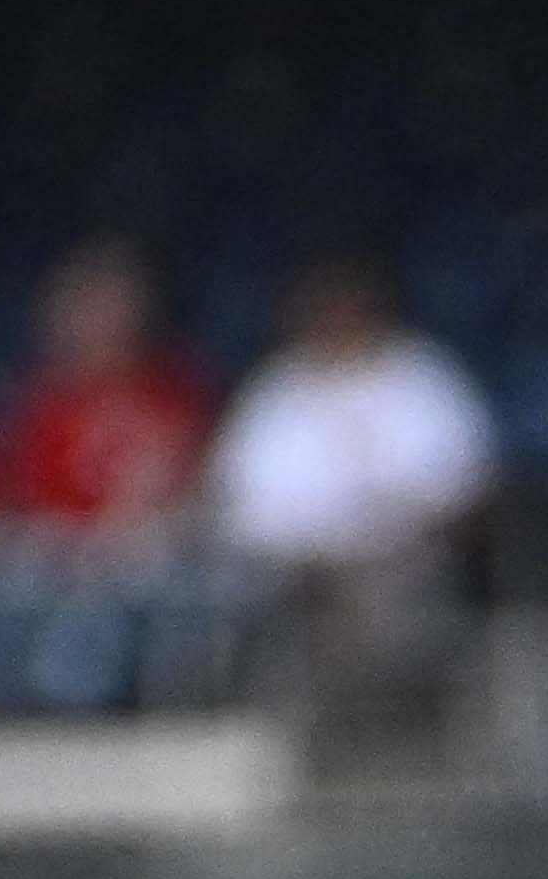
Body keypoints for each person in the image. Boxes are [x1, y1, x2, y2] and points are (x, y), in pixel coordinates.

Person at [211, 253, 493, 725]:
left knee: (393, 602)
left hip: (404, 564)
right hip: (296, 578)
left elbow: (461, 488)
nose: (333, 319)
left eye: (345, 305)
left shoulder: (421, 377)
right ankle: (291, 738)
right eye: (321, 308)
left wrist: (383, 543)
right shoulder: (275, 391)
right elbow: (237, 505)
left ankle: (408, 730)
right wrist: (308, 558)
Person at [0, 239, 210, 533]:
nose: (101, 319)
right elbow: (14, 513)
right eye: (87, 305)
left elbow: (205, 486)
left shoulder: (177, 391)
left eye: (114, 303)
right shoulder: (35, 408)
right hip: (58, 564)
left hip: (158, 559)